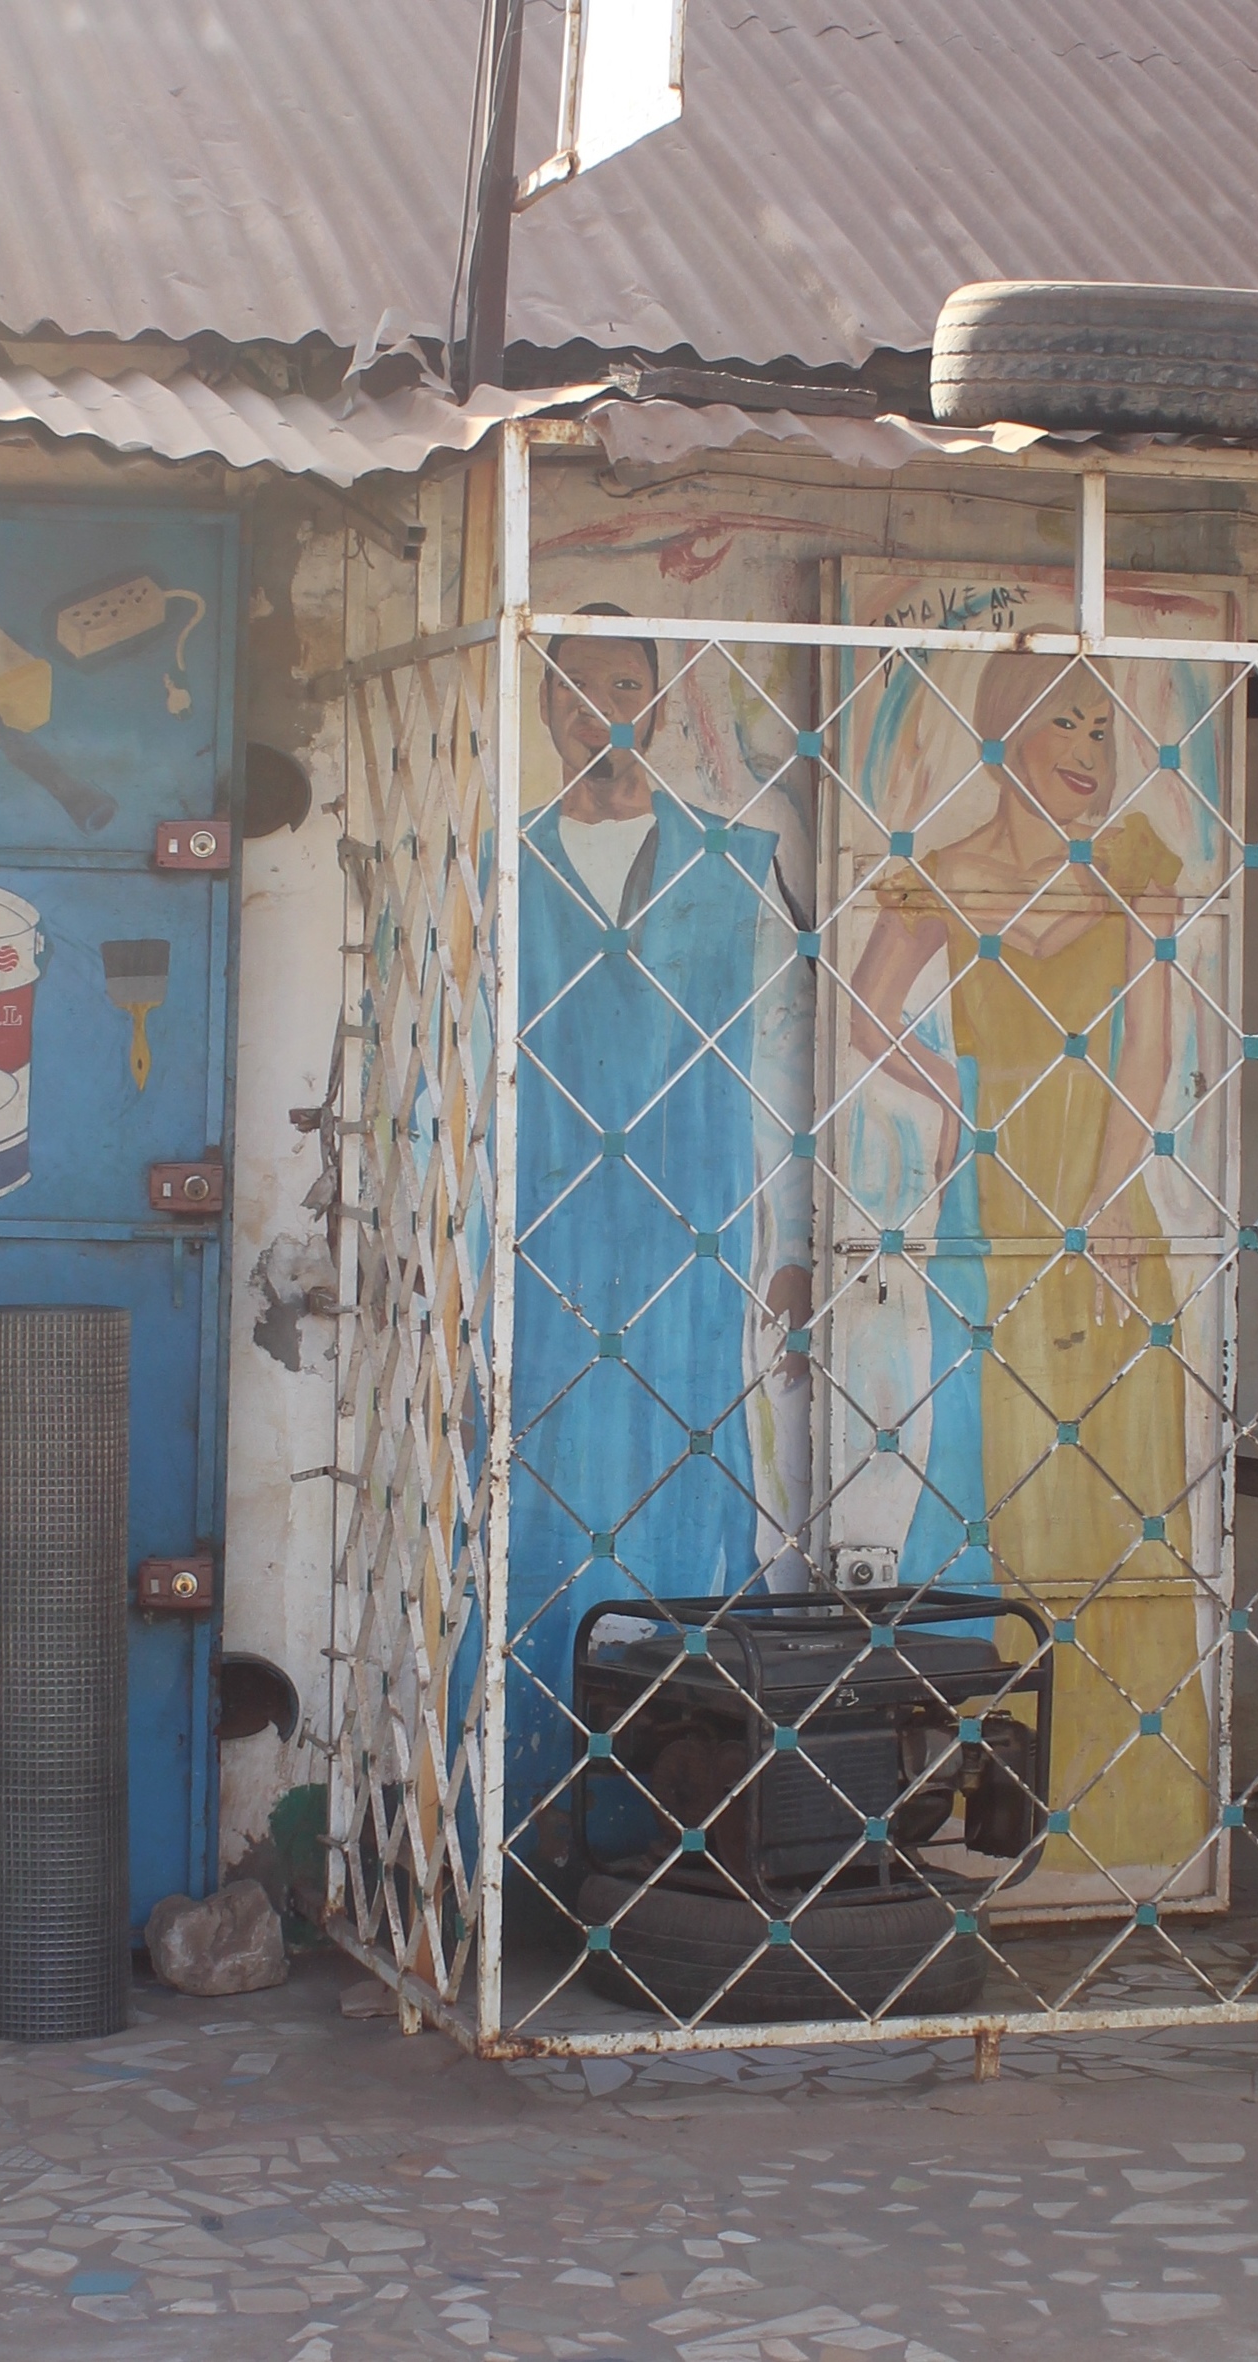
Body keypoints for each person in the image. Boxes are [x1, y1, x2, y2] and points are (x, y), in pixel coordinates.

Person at [847, 653, 1210, 1877]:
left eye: (1104, 729)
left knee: (1120, 1494)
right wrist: (956, 1094)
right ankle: (988, 1796)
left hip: (1105, 1213)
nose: (1090, 751)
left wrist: (1109, 1192)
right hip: (988, 1210)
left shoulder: (1138, 871)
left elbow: (1150, 1047)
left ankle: (1128, 1811)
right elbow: (866, 1009)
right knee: (988, 1482)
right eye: (1065, 721)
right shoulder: (938, 879)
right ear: (1000, 733)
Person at [507, 622, 813, 1825]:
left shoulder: (736, 864)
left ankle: (678, 1812)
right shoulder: (506, 865)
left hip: (693, 1242)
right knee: (536, 1486)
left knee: (693, 1482)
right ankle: (528, 1818)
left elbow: (804, 1064)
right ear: (545, 711)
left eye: (625, 686)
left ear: (664, 700)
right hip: (546, 1246)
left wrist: (790, 1241)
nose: (601, 712)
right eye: (577, 692)